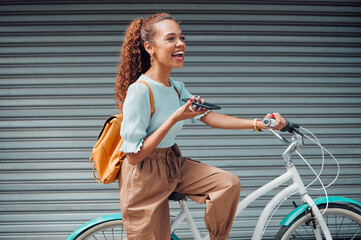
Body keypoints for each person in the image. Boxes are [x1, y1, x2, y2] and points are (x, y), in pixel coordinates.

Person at [114, 13, 286, 240]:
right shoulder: (141, 91)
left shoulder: (176, 87)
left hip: (171, 162)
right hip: (142, 175)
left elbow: (210, 117)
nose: (180, 44)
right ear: (150, 47)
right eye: (170, 38)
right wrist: (174, 118)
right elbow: (134, 156)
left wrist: (259, 124)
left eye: (182, 37)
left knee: (227, 184)